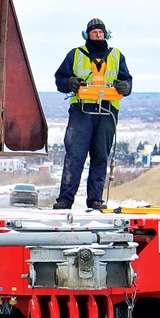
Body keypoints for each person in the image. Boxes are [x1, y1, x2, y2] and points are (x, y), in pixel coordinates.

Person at [52, 18, 132, 210]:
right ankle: (65, 199)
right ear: (87, 34)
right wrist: (69, 82)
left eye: (101, 33)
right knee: (75, 156)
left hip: (106, 112)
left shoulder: (116, 55)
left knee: (100, 156)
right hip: (82, 112)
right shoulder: (76, 54)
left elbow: (127, 81)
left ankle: (95, 199)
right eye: (95, 32)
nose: (98, 35)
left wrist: (125, 87)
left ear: (106, 35)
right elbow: (59, 79)